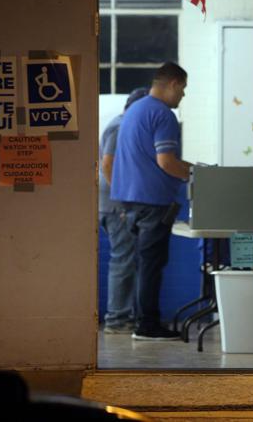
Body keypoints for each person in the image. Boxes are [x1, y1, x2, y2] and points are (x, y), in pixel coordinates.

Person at [111, 62, 193, 341]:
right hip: (152, 201)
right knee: (151, 265)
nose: (183, 95)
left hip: (129, 201)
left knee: (142, 263)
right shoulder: (163, 114)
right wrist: (195, 175)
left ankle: (142, 321)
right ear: (173, 84)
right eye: (183, 89)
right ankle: (147, 325)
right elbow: (166, 161)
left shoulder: (135, 110)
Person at [99, 87, 148, 334]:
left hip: (116, 201)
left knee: (126, 259)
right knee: (123, 260)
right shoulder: (120, 127)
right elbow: (107, 164)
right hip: (115, 204)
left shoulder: (124, 124)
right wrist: (121, 200)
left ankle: (122, 316)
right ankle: (117, 319)